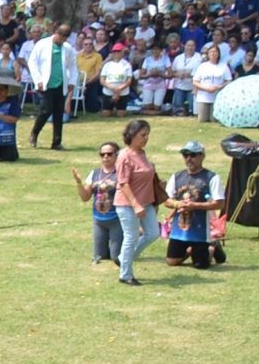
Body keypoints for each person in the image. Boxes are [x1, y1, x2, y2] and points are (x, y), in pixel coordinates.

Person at [112, 121, 161, 287]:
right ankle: (125, 275)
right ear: (132, 135)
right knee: (131, 237)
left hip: (145, 201)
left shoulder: (142, 153)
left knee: (153, 233)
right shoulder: (124, 156)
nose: (146, 138)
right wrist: (136, 205)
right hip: (127, 204)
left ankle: (123, 259)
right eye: (143, 135)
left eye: (147, 135)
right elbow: (123, 183)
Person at [162, 141, 221, 269]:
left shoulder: (211, 177)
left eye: (193, 155)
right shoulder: (176, 176)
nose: (189, 158)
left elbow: (220, 203)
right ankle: (191, 250)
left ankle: (213, 246)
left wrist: (194, 205)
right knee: (171, 262)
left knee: (201, 266)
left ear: (202, 156)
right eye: (185, 155)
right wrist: (178, 203)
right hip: (179, 230)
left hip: (200, 230)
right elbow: (166, 200)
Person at [69, 143, 122, 270]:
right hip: (99, 221)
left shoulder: (121, 174)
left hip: (116, 220)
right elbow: (85, 197)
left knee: (116, 258)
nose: (105, 157)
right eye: (102, 154)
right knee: (101, 256)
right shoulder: (95, 173)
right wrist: (78, 183)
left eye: (109, 154)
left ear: (117, 155)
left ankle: (129, 239)